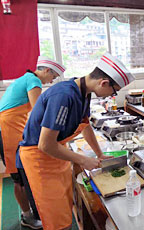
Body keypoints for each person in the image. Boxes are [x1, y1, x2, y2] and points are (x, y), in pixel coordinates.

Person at [19, 52, 135, 230]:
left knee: (65, 205)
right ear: (104, 82)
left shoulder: (83, 91)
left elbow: (85, 125)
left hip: (57, 153)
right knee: (56, 218)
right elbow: (45, 144)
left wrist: (99, 154)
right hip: (40, 159)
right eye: (114, 90)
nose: (112, 95)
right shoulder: (64, 95)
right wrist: (83, 160)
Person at [0, 56, 65, 229]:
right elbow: (39, 111)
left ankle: (28, 213)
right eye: (54, 76)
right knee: (19, 177)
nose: (52, 81)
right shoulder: (33, 80)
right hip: (7, 131)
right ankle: (27, 217)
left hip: (11, 127)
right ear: (46, 71)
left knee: (19, 176)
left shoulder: (25, 78)